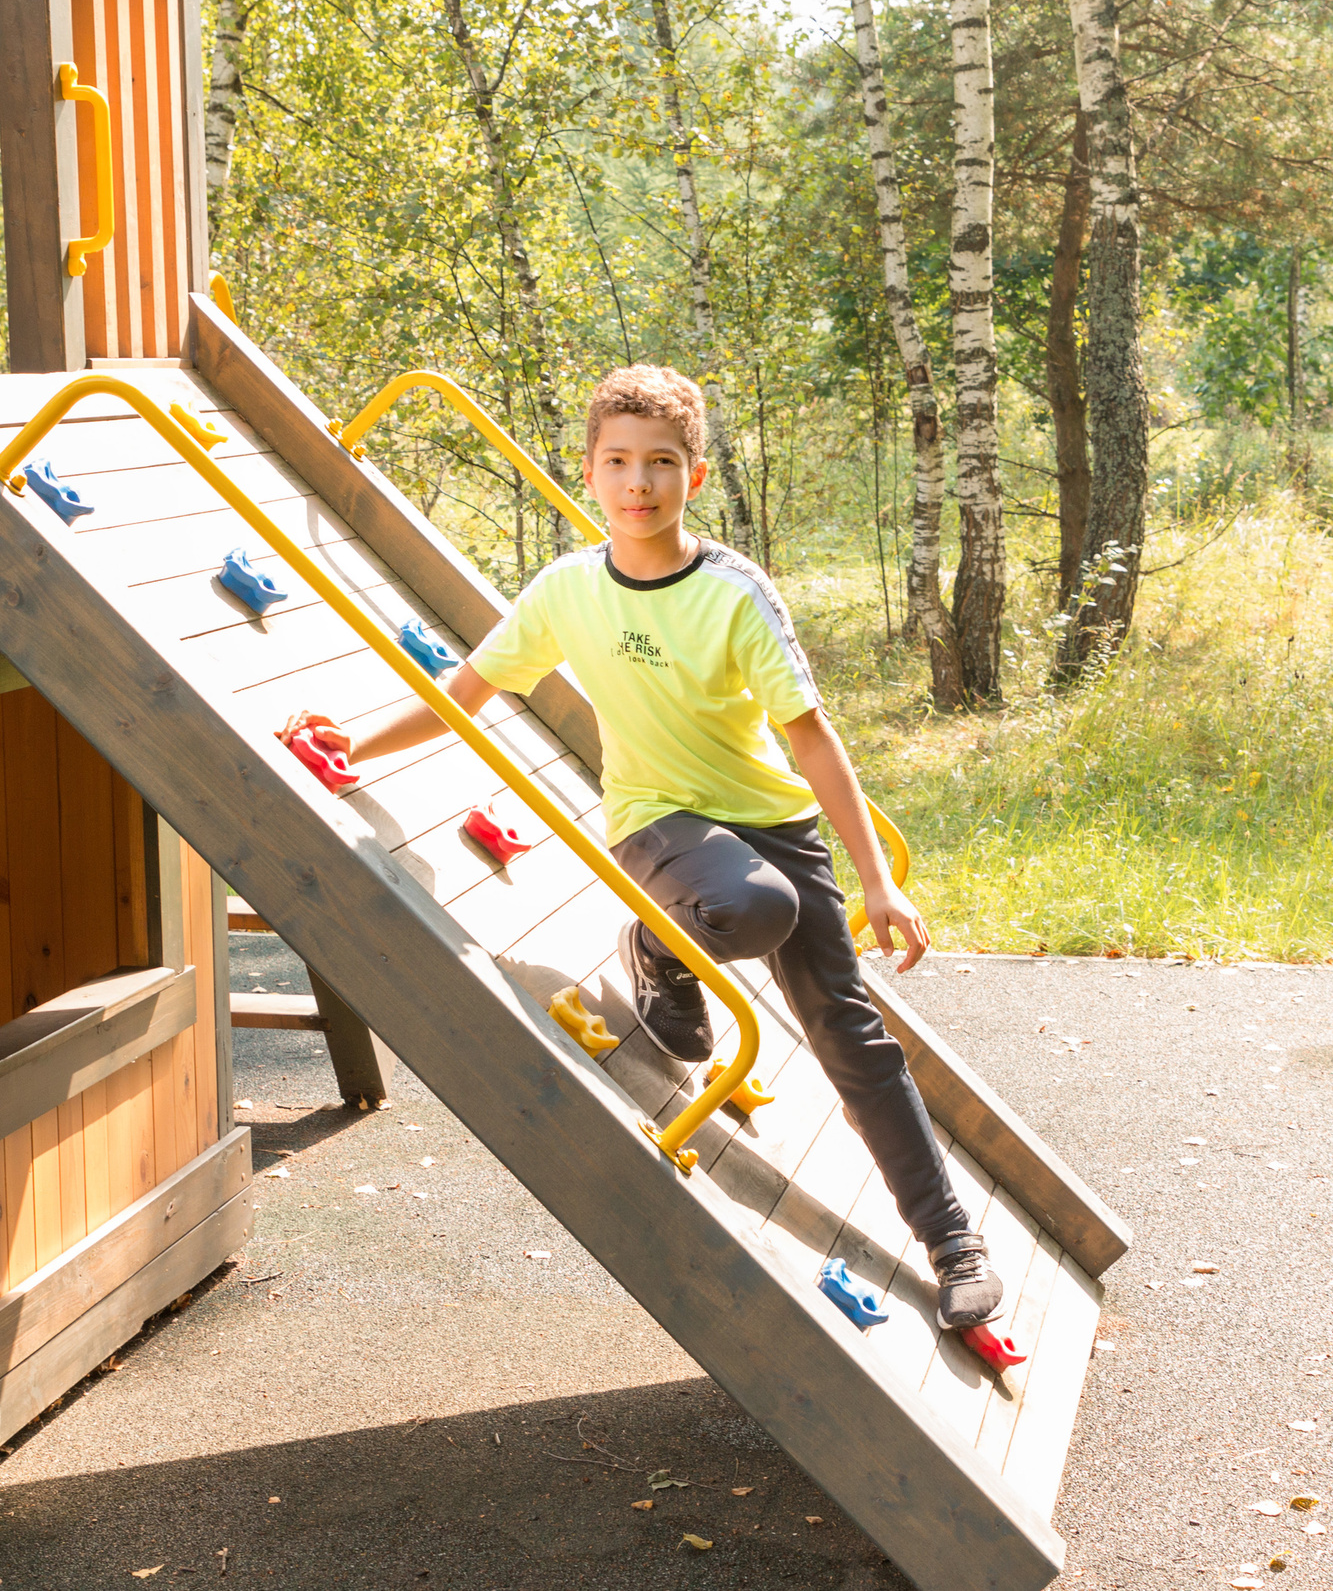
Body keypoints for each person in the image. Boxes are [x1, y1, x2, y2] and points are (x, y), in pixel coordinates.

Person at [309, 364, 1002, 1332]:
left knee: (848, 1031)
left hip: (771, 822)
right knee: (753, 907)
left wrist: (877, 881)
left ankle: (952, 1244)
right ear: (589, 471)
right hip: (656, 820)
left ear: (696, 476)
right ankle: (658, 948)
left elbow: (810, 738)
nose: (639, 483)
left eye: (662, 463)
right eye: (619, 462)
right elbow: (466, 694)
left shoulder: (733, 592)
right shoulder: (566, 590)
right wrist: (354, 740)